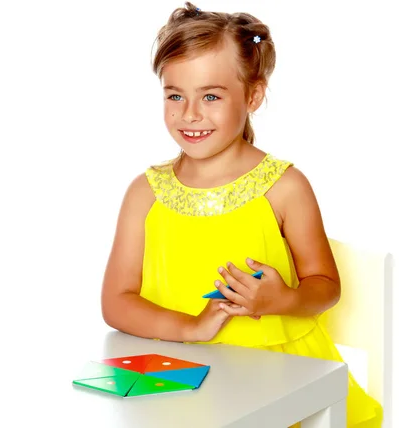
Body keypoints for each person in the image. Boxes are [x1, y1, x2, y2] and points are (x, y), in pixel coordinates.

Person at [100, 3, 382, 427]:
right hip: (179, 379)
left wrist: (283, 298)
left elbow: (325, 287)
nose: (189, 113)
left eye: (210, 96)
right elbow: (116, 302)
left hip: (281, 384)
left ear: (253, 96)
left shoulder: (285, 186)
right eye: (175, 95)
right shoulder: (144, 193)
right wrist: (191, 327)